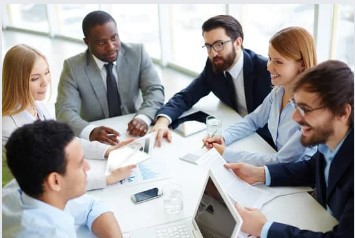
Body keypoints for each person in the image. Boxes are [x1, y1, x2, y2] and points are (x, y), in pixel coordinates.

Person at [225, 60, 353, 237]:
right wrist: (260, 174)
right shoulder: (330, 140)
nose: (295, 117)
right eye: (296, 106)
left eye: (306, 109)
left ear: (342, 112)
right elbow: (311, 169)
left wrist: (264, 229)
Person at [2, 44, 135, 190]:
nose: (45, 82)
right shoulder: (8, 128)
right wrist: (108, 178)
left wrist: (108, 150)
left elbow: (63, 142)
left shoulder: (37, 105)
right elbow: (47, 180)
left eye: (46, 73)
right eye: (35, 78)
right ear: (16, 81)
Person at [203, 26, 318, 166]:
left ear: (302, 65)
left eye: (278, 62)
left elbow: (281, 160)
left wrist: (226, 153)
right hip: (275, 164)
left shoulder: (310, 110)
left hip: (298, 179)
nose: (269, 67)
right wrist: (224, 137)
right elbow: (253, 120)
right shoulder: (278, 92)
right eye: (270, 58)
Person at [152, 15, 272, 147]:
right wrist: (162, 121)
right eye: (208, 46)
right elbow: (186, 96)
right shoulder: (214, 66)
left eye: (219, 45)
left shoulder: (266, 69)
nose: (213, 53)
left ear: (237, 43)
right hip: (232, 131)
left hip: (263, 140)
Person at [55, 10, 164, 145]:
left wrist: (144, 117)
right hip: (98, 139)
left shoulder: (138, 53)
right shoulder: (73, 67)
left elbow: (155, 90)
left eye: (114, 38)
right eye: (101, 43)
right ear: (86, 42)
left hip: (134, 131)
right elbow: (64, 111)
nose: (111, 47)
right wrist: (90, 131)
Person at [2, 120, 123, 237]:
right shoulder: (50, 233)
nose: (88, 167)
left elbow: (92, 206)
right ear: (55, 181)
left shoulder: (25, 185)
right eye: (80, 163)